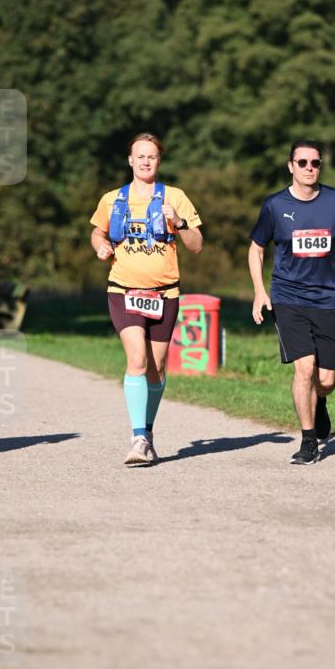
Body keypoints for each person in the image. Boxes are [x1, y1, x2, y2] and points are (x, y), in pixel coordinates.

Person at [90, 133, 202, 465]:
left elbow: (197, 245)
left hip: (164, 294)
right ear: (130, 160)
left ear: (159, 161)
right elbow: (97, 230)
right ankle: (138, 438)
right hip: (123, 290)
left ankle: (148, 433)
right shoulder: (112, 199)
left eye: (151, 156)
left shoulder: (176, 197)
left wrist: (178, 223)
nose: (145, 161)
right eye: (140, 156)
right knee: (137, 359)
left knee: (157, 369)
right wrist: (99, 244)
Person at [248, 139, 335, 465]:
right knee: (304, 369)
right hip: (288, 297)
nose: (310, 168)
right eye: (303, 163)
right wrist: (259, 290)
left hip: (325, 297)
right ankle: (308, 441)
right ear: (290, 166)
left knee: (326, 379)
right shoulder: (274, 205)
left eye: (315, 163)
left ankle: (320, 402)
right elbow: (256, 249)